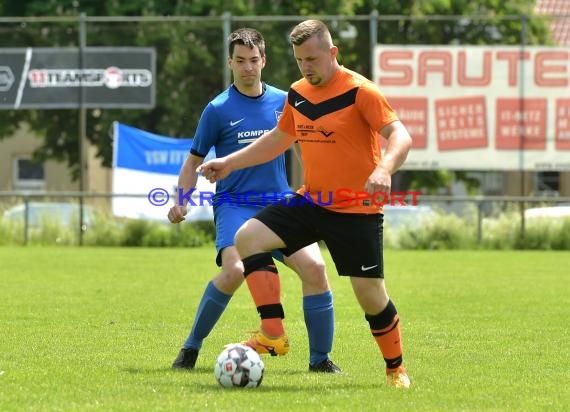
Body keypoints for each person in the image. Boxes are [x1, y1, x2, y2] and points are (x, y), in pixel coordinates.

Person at [198, 20, 413, 388]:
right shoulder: (297, 93)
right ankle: (272, 334)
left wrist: (383, 169)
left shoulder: (361, 91)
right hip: (311, 200)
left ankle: (396, 369)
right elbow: (279, 138)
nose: (306, 67)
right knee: (248, 237)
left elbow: (400, 135)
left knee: (370, 297)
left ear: (333, 53)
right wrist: (229, 162)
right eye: (299, 60)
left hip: (356, 210)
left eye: (312, 58)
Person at [168, 27, 340, 373]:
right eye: (240, 61)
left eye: (254, 60)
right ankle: (190, 348)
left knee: (316, 268)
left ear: (264, 61)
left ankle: (320, 361)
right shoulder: (217, 110)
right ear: (230, 62)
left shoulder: (286, 100)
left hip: (279, 202)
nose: (248, 67)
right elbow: (193, 161)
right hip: (235, 204)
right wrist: (181, 200)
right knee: (233, 270)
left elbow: (306, 146)